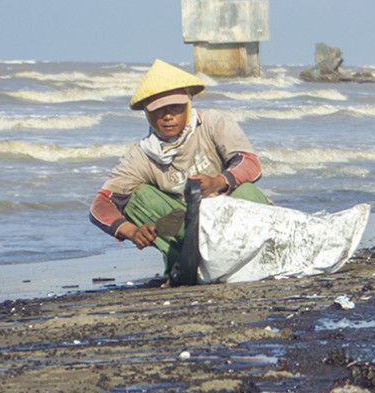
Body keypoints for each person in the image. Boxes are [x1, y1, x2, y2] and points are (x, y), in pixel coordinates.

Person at [90, 59, 269, 272]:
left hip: (231, 216)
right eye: (158, 110)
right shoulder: (142, 155)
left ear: (188, 103)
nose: (167, 116)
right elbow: (100, 205)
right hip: (188, 229)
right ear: (147, 114)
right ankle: (180, 261)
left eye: (175, 107)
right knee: (137, 198)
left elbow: (250, 163)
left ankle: (261, 253)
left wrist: (219, 182)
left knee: (248, 191)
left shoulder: (213, 123)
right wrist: (131, 231)